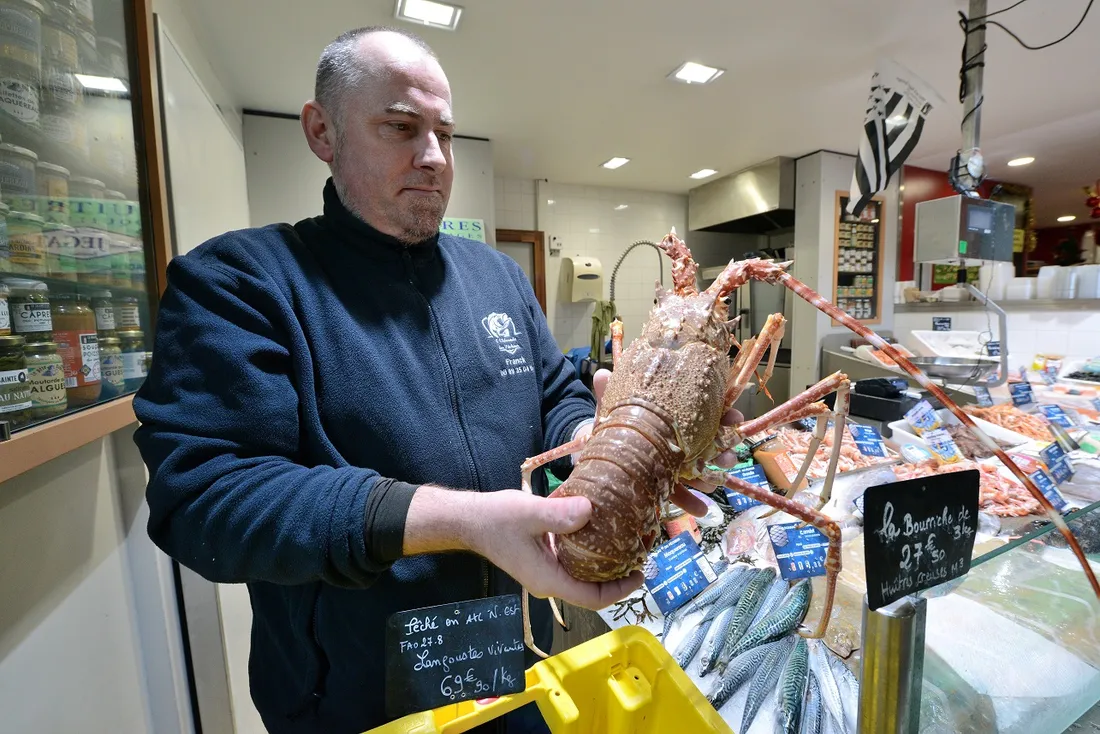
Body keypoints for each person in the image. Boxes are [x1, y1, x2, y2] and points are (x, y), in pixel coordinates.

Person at [132, 26, 740, 734]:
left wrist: (595, 440)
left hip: (511, 664)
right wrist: (466, 522)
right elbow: (205, 497)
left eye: (445, 134)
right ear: (321, 131)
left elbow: (554, 398)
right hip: (354, 700)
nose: (432, 157)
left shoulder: (498, 278)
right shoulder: (240, 281)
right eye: (400, 127)